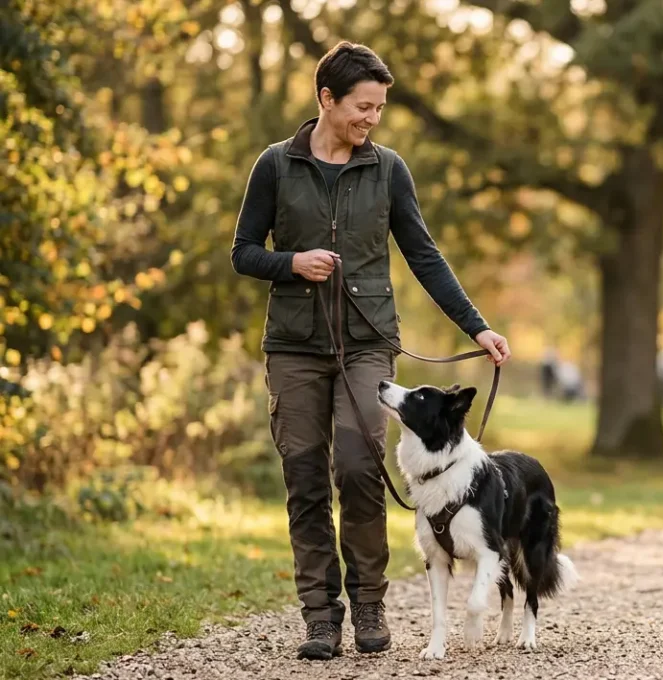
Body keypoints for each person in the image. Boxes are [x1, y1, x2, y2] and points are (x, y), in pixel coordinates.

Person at [230, 42, 511, 661]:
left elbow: (423, 254)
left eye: (379, 108)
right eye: (363, 106)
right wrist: (291, 262)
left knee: (359, 468)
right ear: (326, 99)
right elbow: (242, 251)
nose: (372, 119)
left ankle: (367, 603)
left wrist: (477, 327)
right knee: (304, 477)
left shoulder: (388, 170)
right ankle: (320, 617)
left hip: (367, 343)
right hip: (294, 346)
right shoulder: (276, 166)